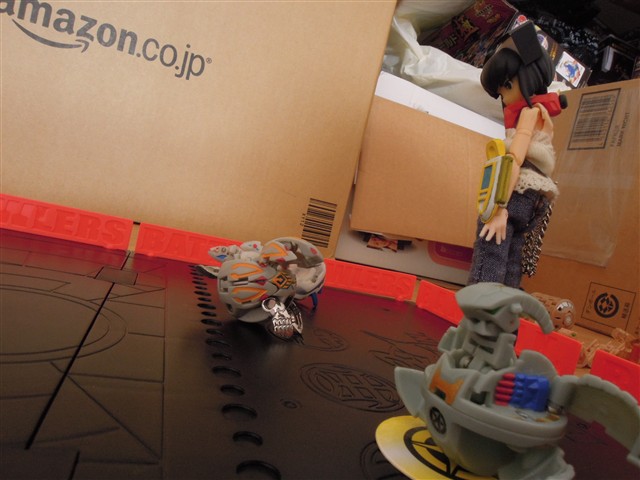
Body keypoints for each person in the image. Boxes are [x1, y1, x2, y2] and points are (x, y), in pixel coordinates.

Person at [467, 21, 563, 288]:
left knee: (491, 240)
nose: (505, 97)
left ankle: (482, 295)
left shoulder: (528, 115)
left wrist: (498, 208)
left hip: (516, 190)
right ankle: (507, 295)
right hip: (535, 197)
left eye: (507, 86)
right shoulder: (544, 116)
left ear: (529, 76)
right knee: (513, 249)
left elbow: (515, 160)